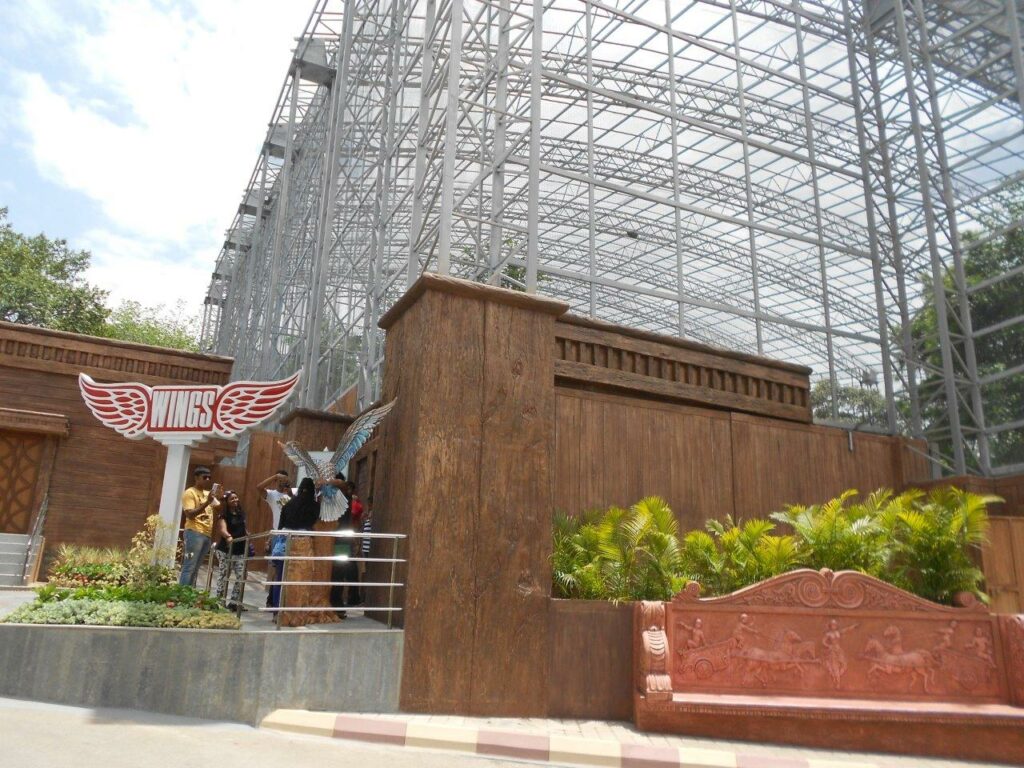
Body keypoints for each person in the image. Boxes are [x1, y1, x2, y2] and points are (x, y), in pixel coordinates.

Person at [277, 477, 340, 626]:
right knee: (302, 581)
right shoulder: (314, 506)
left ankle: (283, 612)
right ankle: (298, 616)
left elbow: (280, 526)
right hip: (304, 543)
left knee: (287, 579)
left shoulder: (288, 505)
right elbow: (316, 524)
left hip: (288, 544)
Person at [179, 466, 221, 587]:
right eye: (204, 477)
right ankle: (181, 596)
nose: (207, 479)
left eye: (209, 477)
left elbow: (219, 509)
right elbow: (189, 514)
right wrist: (207, 502)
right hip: (194, 533)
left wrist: (220, 497)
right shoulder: (190, 492)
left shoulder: (209, 494)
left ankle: (189, 595)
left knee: (196, 567)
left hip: (206, 535)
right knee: (189, 566)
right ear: (196, 478)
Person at [257, 469, 292, 608]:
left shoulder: (291, 493)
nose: (284, 482)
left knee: (286, 570)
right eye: (281, 480)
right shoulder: (272, 495)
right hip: (278, 535)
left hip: (290, 534)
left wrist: (289, 491)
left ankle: (280, 600)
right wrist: (274, 476)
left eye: (285, 480)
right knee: (277, 569)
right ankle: (272, 600)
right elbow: (258, 488)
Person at [213, 490, 249, 610]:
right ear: (227, 502)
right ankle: (219, 602)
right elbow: (222, 529)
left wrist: (248, 536)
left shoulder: (241, 514)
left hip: (240, 551)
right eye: (232, 499)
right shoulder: (224, 515)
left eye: (236, 498)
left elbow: (243, 528)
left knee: (241, 575)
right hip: (225, 550)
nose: (235, 500)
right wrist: (228, 536)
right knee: (224, 575)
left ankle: (234, 602)